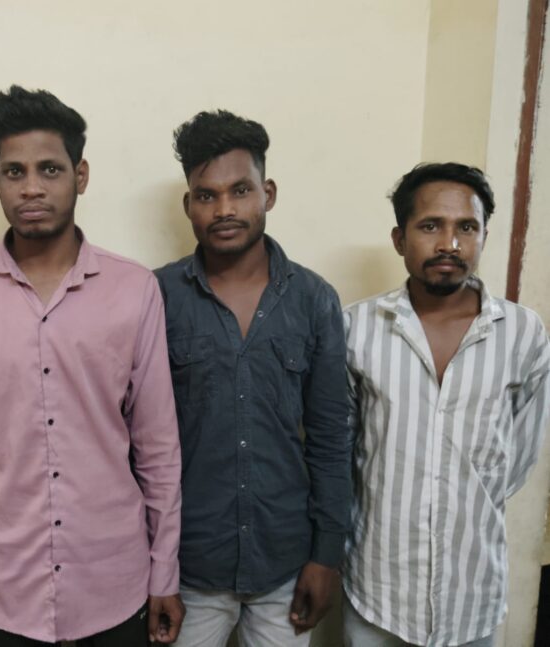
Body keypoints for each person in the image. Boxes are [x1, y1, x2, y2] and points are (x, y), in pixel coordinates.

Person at [0, 85, 184, 647]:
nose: (32, 188)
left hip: (114, 582)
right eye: (14, 172)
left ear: (80, 175)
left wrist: (164, 571)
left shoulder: (134, 289)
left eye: (50, 169)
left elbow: (158, 446)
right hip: (2, 588)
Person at [155, 110, 351, 646]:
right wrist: (152, 568)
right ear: (188, 205)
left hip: (285, 565)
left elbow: (332, 439)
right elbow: (136, 442)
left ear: (268, 193)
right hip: (188, 568)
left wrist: (326, 556)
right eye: (207, 195)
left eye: (240, 190)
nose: (224, 209)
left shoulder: (314, 300)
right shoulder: (156, 297)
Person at [342, 163, 550, 646]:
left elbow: (517, 458)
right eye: (431, 226)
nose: (449, 244)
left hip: (471, 597)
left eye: (467, 228)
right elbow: (343, 453)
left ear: (484, 236)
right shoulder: (356, 329)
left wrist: (462, 492)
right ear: (400, 238)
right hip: (379, 593)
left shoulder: (523, 335)